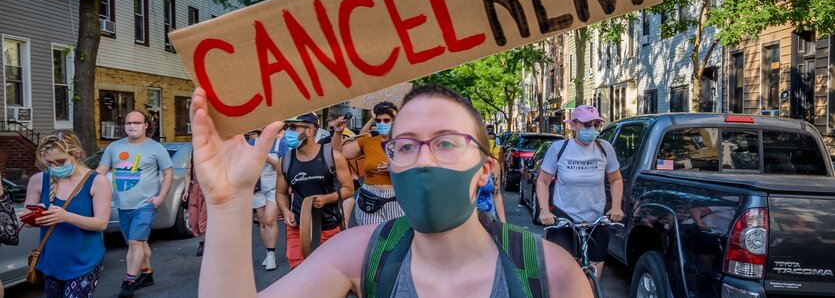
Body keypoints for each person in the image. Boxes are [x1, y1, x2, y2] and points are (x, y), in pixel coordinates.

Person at [190, 84, 592, 297]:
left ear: (485, 170)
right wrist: (227, 201)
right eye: (405, 145)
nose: (423, 159)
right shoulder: (359, 254)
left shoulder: (551, 272)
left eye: (446, 143)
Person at [535, 105, 624, 280]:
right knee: (565, 278)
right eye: (586, 124)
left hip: (596, 221)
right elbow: (542, 181)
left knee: (592, 280)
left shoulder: (605, 148)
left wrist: (616, 207)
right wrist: (544, 210)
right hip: (564, 221)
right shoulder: (559, 149)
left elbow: (616, 179)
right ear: (574, 125)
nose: (592, 129)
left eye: (596, 125)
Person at [96, 110, 173, 298]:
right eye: (129, 123)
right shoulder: (113, 147)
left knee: (134, 242)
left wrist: (160, 197)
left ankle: (129, 282)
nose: (132, 126)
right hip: (123, 204)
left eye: (137, 123)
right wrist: (81, 179)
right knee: (139, 242)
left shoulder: (156, 148)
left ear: (146, 125)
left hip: (146, 204)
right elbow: (101, 170)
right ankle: (147, 274)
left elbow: (168, 173)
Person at [24, 130, 111, 298]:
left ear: (77, 154)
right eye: (49, 163)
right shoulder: (38, 180)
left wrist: (66, 217)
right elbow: (27, 222)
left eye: (60, 161)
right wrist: (37, 214)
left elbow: (101, 223)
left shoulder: (97, 181)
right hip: (52, 261)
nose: (55, 167)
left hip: (85, 261)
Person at [275, 113, 353, 269]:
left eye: (292, 127)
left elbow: (349, 189)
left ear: (309, 130)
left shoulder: (333, 157)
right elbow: (281, 193)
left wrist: (326, 199)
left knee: (329, 277)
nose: (287, 132)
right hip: (298, 228)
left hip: (329, 226)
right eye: (286, 127)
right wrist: (285, 211)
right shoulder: (285, 161)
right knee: (298, 276)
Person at [333, 101, 404, 225]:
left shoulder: (407, 143)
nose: (382, 124)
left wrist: (396, 168)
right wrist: (338, 132)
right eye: (378, 121)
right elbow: (337, 154)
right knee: (372, 239)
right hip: (369, 199)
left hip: (397, 199)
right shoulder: (367, 142)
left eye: (386, 120)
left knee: (394, 240)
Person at [248, 127, 284, 271]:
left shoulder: (280, 144)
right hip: (257, 188)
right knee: (262, 223)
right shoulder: (251, 143)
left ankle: (271, 254)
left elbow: (283, 167)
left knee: (270, 220)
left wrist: (269, 160)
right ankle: (268, 252)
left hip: (274, 188)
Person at [476, 132, 506, 222]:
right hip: (467, 222)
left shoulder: (493, 163)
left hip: (489, 218)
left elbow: (497, 195)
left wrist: (503, 224)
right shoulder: (464, 164)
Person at [183, 155, 207, 256]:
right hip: (195, 192)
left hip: (208, 193)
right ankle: (206, 241)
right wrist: (186, 191)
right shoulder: (192, 159)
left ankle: (205, 242)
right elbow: (188, 175)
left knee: (205, 220)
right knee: (194, 218)